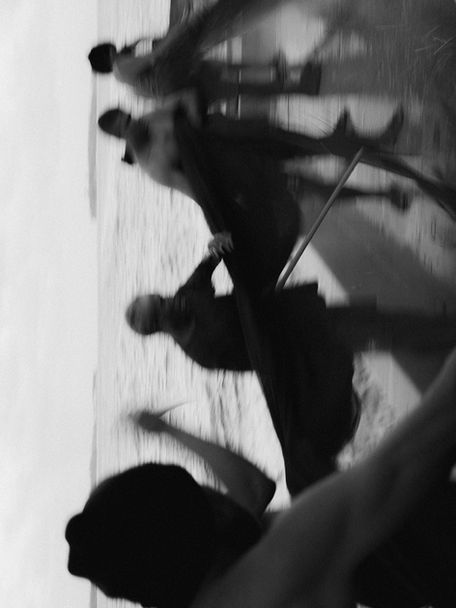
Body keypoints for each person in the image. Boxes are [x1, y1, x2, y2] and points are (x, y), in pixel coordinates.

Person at [66, 349, 456, 608]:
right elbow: (407, 458)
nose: (216, 491)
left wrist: (169, 430)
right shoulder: (276, 571)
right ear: (214, 513)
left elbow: (255, 490)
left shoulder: (207, 578)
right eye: (202, 490)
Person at [126, 243, 456, 372]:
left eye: (161, 296)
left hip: (303, 313)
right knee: (380, 332)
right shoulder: (204, 352)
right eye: (162, 304)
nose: (169, 298)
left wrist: (216, 249)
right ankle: (444, 332)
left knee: (377, 320)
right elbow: (264, 364)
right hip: (308, 343)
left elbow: (204, 270)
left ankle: (438, 332)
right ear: (161, 326)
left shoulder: (186, 298)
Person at [97, 103, 456, 220]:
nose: (133, 122)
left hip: (251, 141)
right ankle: (386, 195)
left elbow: (192, 105)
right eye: (125, 126)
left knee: (319, 146)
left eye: (128, 116)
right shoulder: (154, 167)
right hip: (249, 178)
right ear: (120, 139)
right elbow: (201, 194)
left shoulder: (151, 118)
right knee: (318, 187)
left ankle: (379, 143)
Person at [88, 0, 322, 105]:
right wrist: (179, 28)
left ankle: (279, 73)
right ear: (108, 54)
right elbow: (155, 56)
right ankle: (283, 74)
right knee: (215, 18)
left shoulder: (129, 84)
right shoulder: (120, 68)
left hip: (187, 79)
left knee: (233, 77)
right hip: (183, 66)